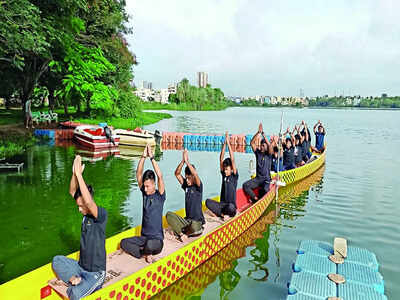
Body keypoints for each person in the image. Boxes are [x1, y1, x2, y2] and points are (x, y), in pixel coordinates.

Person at [52, 155, 107, 300]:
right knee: (57, 260)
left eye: (81, 206)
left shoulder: (100, 215)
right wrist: (75, 175)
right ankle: (73, 280)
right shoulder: (84, 213)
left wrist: (78, 175)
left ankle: (74, 285)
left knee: (74, 295)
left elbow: (88, 203)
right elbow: (72, 191)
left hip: (95, 273)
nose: (79, 209)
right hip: (80, 267)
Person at [120, 144, 165, 263]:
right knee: (124, 243)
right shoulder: (145, 194)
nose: (145, 189)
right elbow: (138, 174)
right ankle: (143, 254)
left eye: (147, 186)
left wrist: (152, 158)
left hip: (156, 241)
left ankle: (146, 251)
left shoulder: (160, 195)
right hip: (143, 238)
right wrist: (143, 156)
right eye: (144, 186)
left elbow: (160, 176)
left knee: (150, 244)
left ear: (154, 184)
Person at [166, 149, 205, 242]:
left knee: (194, 225)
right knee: (169, 215)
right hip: (188, 222)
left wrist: (187, 162)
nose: (187, 180)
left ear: (193, 177)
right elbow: (177, 174)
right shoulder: (186, 186)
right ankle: (181, 234)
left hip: (197, 224)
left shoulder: (198, 187)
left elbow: (195, 174)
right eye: (186, 178)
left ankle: (181, 232)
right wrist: (182, 162)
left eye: (189, 178)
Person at [206, 131, 239, 219]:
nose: (225, 171)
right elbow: (221, 158)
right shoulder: (224, 175)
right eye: (224, 169)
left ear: (231, 169)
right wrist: (224, 143)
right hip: (222, 205)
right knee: (207, 202)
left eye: (227, 169)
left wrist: (228, 143)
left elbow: (232, 159)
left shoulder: (234, 176)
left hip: (231, 206)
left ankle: (222, 214)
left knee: (231, 208)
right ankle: (221, 214)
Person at [242, 123, 273, 203]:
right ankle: (255, 199)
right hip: (258, 179)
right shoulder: (258, 153)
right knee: (245, 185)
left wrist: (263, 135)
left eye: (264, 146)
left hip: (266, 179)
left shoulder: (269, 154)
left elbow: (270, 147)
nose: (262, 147)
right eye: (261, 145)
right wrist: (258, 132)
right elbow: (252, 143)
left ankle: (262, 200)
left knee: (265, 190)